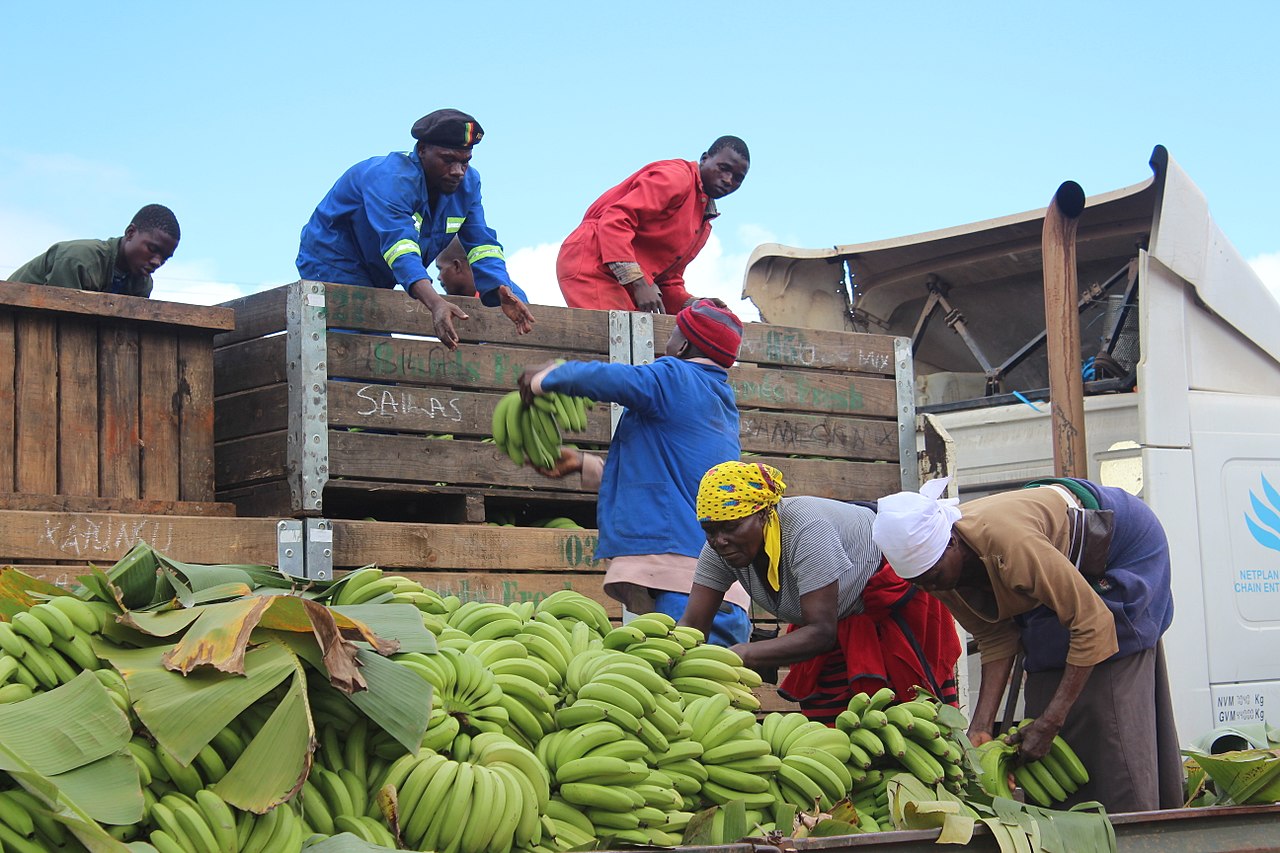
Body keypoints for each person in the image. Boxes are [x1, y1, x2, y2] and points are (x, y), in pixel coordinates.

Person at [871, 477, 1181, 812]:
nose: (932, 588)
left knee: (1105, 689)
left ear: (952, 543)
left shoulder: (1010, 545)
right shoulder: (938, 575)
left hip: (1121, 547)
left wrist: (1052, 721)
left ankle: (1133, 809)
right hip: (1053, 557)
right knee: (1045, 665)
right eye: (919, 583)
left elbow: (1093, 624)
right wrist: (981, 727)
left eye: (933, 577)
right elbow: (996, 636)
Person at [518, 299, 751, 646]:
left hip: (684, 585)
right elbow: (672, 479)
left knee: (679, 675)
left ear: (683, 347)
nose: (666, 342)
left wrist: (547, 377)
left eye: (672, 334)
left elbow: (614, 379)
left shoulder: (675, 376)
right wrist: (585, 465)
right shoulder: (720, 403)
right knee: (719, 679)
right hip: (724, 593)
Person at [680, 461, 962, 723]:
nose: (720, 541)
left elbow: (821, 632)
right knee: (833, 726)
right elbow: (692, 625)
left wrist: (743, 654)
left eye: (732, 527)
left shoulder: (807, 529)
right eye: (710, 531)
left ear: (764, 514)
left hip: (888, 609)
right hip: (834, 620)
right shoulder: (718, 548)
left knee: (911, 718)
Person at [296, 109, 535, 349]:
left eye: (465, 161)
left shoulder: (468, 185)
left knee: (373, 341)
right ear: (422, 150)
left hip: (378, 269)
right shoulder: (390, 178)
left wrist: (501, 288)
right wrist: (435, 303)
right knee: (359, 343)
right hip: (332, 258)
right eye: (448, 159)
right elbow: (399, 245)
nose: (458, 171)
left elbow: (482, 243)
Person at [557, 137, 750, 314]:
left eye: (737, 178)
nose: (728, 180)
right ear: (704, 159)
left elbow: (667, 281)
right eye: (724, 168)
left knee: (640, 337)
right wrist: (638, 282)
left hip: (626, 281)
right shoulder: (677, 178)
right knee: (620, 335)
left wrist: (695, 305)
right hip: (593, 258)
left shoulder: (703, 224)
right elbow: (614, 220)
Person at [7, 204, 180, 297]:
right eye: (152, 249)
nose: (157, 262)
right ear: (130, 233)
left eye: (165, 258)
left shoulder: (141, 284)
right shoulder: (79, 260)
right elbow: (61, 321)